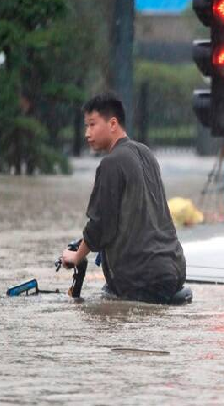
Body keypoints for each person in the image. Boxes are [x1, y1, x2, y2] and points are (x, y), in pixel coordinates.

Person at [61, 92, 186, 304]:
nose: (86, 133)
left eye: (92, 125)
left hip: (139, 279)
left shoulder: (111, 163)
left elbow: (100, 226)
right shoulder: (146, 153)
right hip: (174, 269)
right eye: (85, 126)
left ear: (112, 124)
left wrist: (76, 257)